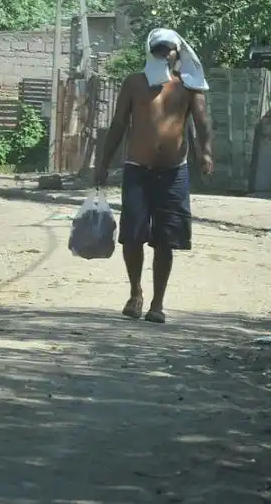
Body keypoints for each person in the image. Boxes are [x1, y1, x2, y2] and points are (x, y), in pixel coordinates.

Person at [94, 28, 214, 324]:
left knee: (166, 240)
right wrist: (103, 163)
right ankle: (136, 293)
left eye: (169, 50)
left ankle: (158, 304)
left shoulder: (188, 86)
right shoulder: (134, 84)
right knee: (132, 237)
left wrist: (206, 152)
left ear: (178, 53)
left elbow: (202, 122)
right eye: (159, 49)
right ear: (150, 51)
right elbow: (119, 124)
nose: (164, 54)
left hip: (174, 173)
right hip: (137, 170)